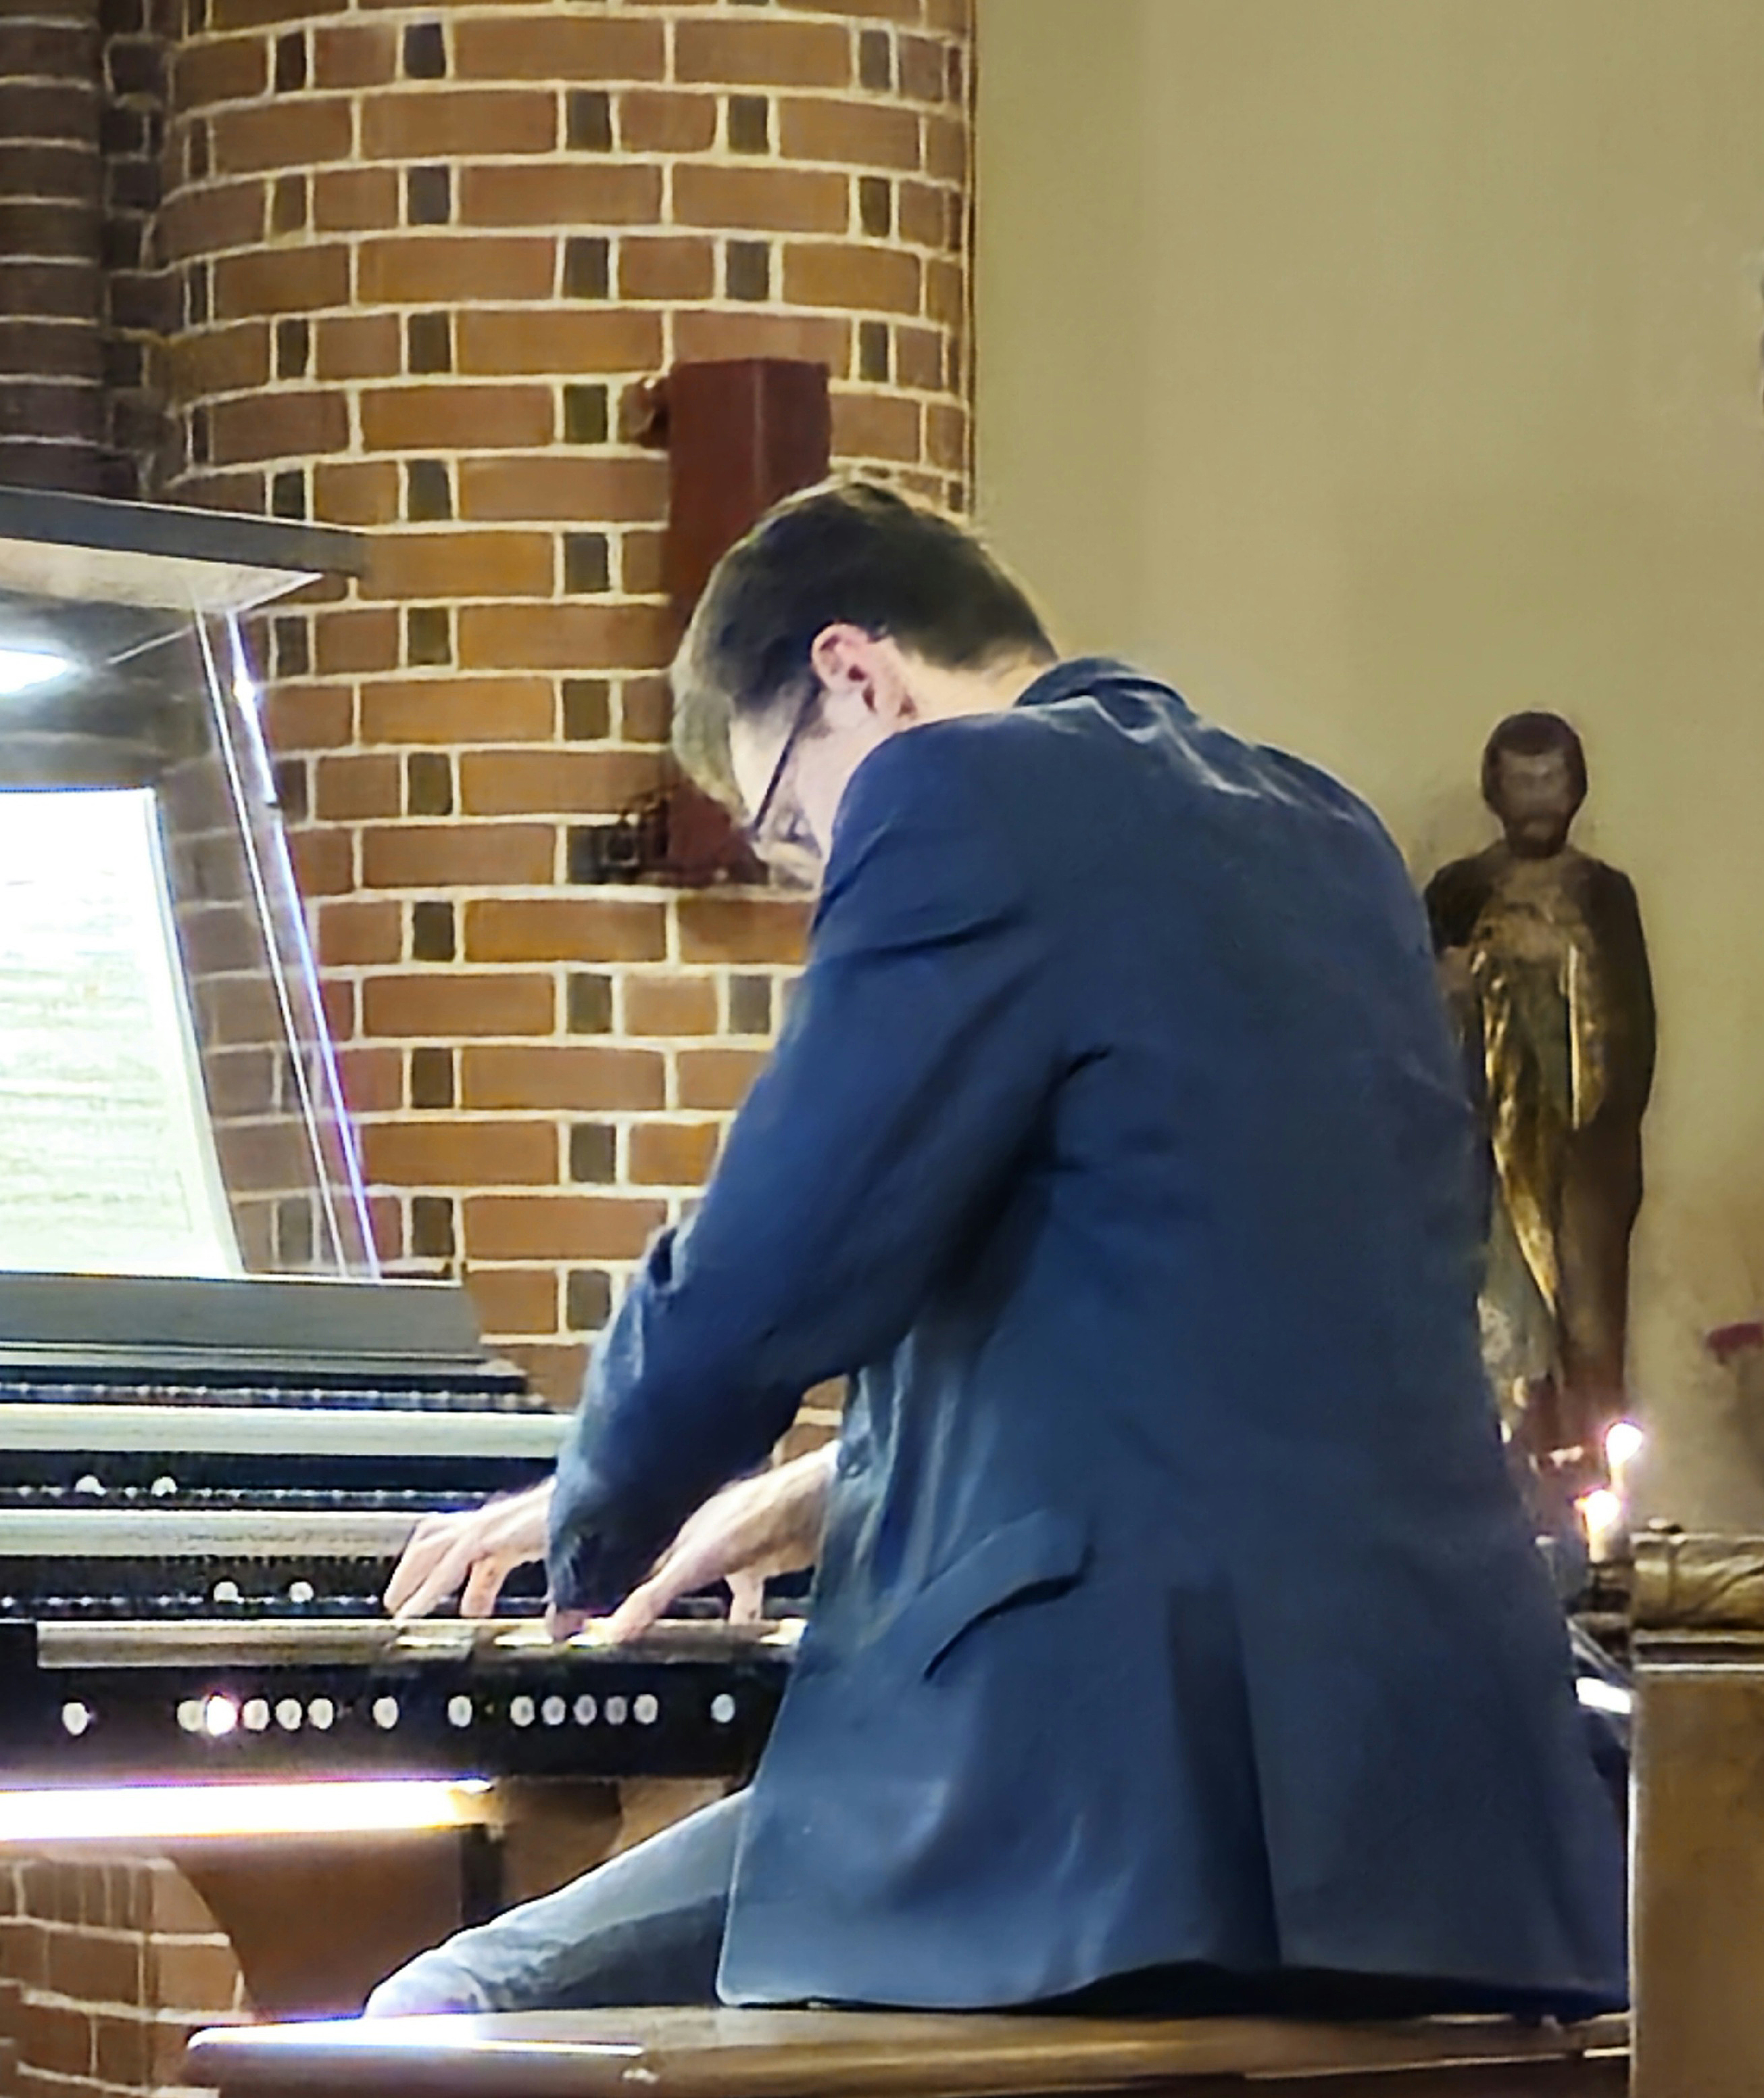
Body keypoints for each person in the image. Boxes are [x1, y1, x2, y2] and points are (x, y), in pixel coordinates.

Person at [370, 483, 1628, 2022]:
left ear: (855, 674)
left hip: (1098, 1806)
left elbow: (774, 1253)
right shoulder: (1327, 831)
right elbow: (1231, 1315)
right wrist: (832, 1484)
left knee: (453, 2004)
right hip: (1435, 1815)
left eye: (791, 829)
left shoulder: (959, 789)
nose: (814, 880)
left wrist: (597, 1515)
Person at [1423, 714, 1655, 1537]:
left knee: (1583, 1326)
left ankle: (1584, 1504)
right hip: (1484, 1148)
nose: (1536, 800)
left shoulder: (1602, 895)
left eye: (1550, 780)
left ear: (1575, 787)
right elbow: (1414, 1011)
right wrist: (1468, 981)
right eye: (1520, 782)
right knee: (1492, 1314)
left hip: (1577, 1157)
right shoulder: (1456, 892)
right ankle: (1489, 1498)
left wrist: (1557, 960)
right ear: (1494, 790)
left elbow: (1629, 1029)